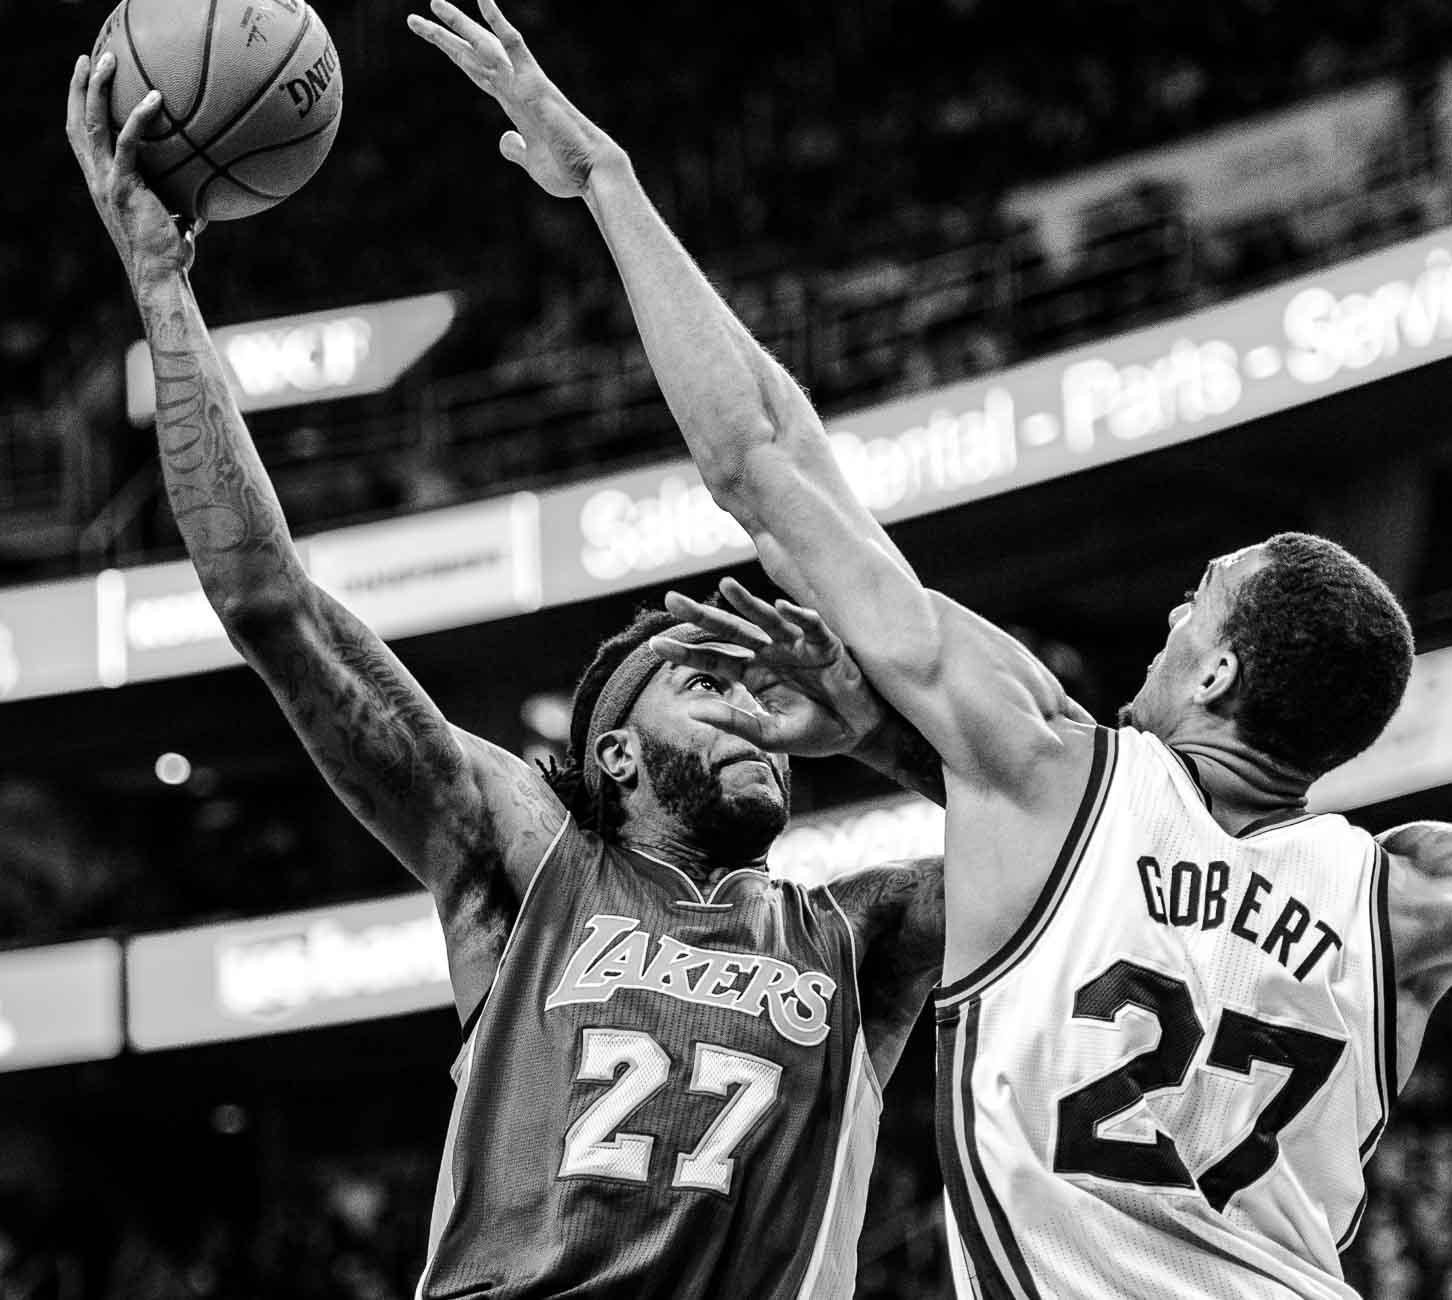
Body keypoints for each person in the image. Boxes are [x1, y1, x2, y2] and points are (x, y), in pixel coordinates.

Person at [420, 5, 1452, 1297]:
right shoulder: (1409, 899)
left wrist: (605, 176)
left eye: (1193, 605)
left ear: (1217, 675)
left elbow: (761, 459)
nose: (1164, 616)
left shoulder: (1050, 765)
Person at [65, 49, 948, 1300]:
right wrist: (161, 281)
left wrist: (878, 732)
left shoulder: (863, 935)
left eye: (754, 690)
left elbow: (1066, 819)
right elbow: (272, 606)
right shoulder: (532, 865)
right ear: (616, 755)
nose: (755, 705)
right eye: (708, 685)